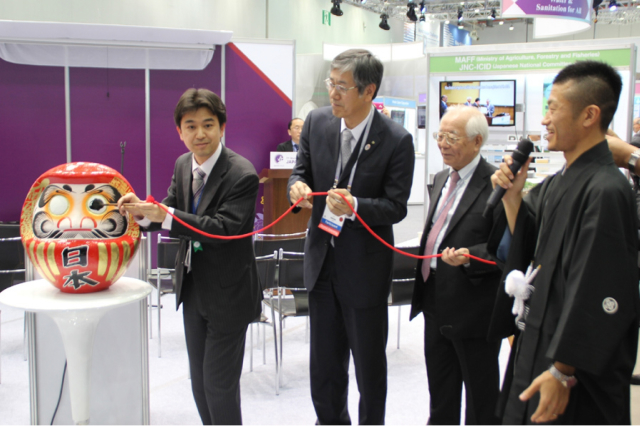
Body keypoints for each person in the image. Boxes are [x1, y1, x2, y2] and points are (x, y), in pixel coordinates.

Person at [490, 60, 639, 424]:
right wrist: (512, 196)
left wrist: (562, 370)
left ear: (589, 115)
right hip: (540, 342)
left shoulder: (606, 189)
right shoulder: (558, 182)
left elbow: (597, 287)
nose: (545, 120)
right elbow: (528, 240)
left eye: (553, 108)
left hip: (573, 367)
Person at [118, 88, 262, 425]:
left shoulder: (242, 173)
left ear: (222, 127)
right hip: (193, 288)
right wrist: (141, 213)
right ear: (179, 132)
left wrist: (165, 214)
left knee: (219, 388)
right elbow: (170, 208)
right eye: (191, 126)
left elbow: (222, 228)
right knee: (199, 384)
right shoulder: (184, 164)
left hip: (229, 294)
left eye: (208, 125)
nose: (200, 134)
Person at [288, 49, 415, 425]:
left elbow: (395, 207)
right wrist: (297, 187)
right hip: (321, 265)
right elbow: (301, 171)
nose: (333, 93)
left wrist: (356, 206)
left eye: (342, 86)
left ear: (368, 90)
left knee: (369, 370)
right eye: (332, 83)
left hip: (364, 271)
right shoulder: (317, 122)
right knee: (324, 368)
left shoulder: (396, 139)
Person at [409, 106, 505, 425]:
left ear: (477, 141)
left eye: (452, 137)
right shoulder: (441, 178)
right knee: (441, 389)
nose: (443, 144)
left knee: (480, 396)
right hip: (435, 297)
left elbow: (505, 249)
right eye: (440, 136)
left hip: (474, 304)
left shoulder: (497, 184)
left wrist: (470, 255)